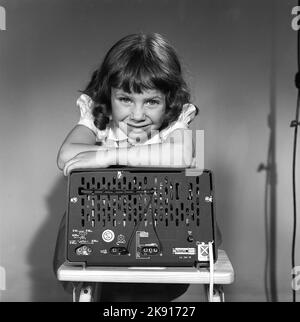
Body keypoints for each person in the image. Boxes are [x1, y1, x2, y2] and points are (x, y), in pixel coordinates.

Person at [53, 33, 202, 302]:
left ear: (169, 100)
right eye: (125, 99)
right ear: (108, 95)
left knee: (198, 201)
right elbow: (66, 156)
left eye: (152, 102)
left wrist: (106, 156)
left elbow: (182, 155)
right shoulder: (99, 118)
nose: (137, 115)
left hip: (162, 224)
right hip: (103, 225)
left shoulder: (174, 121)